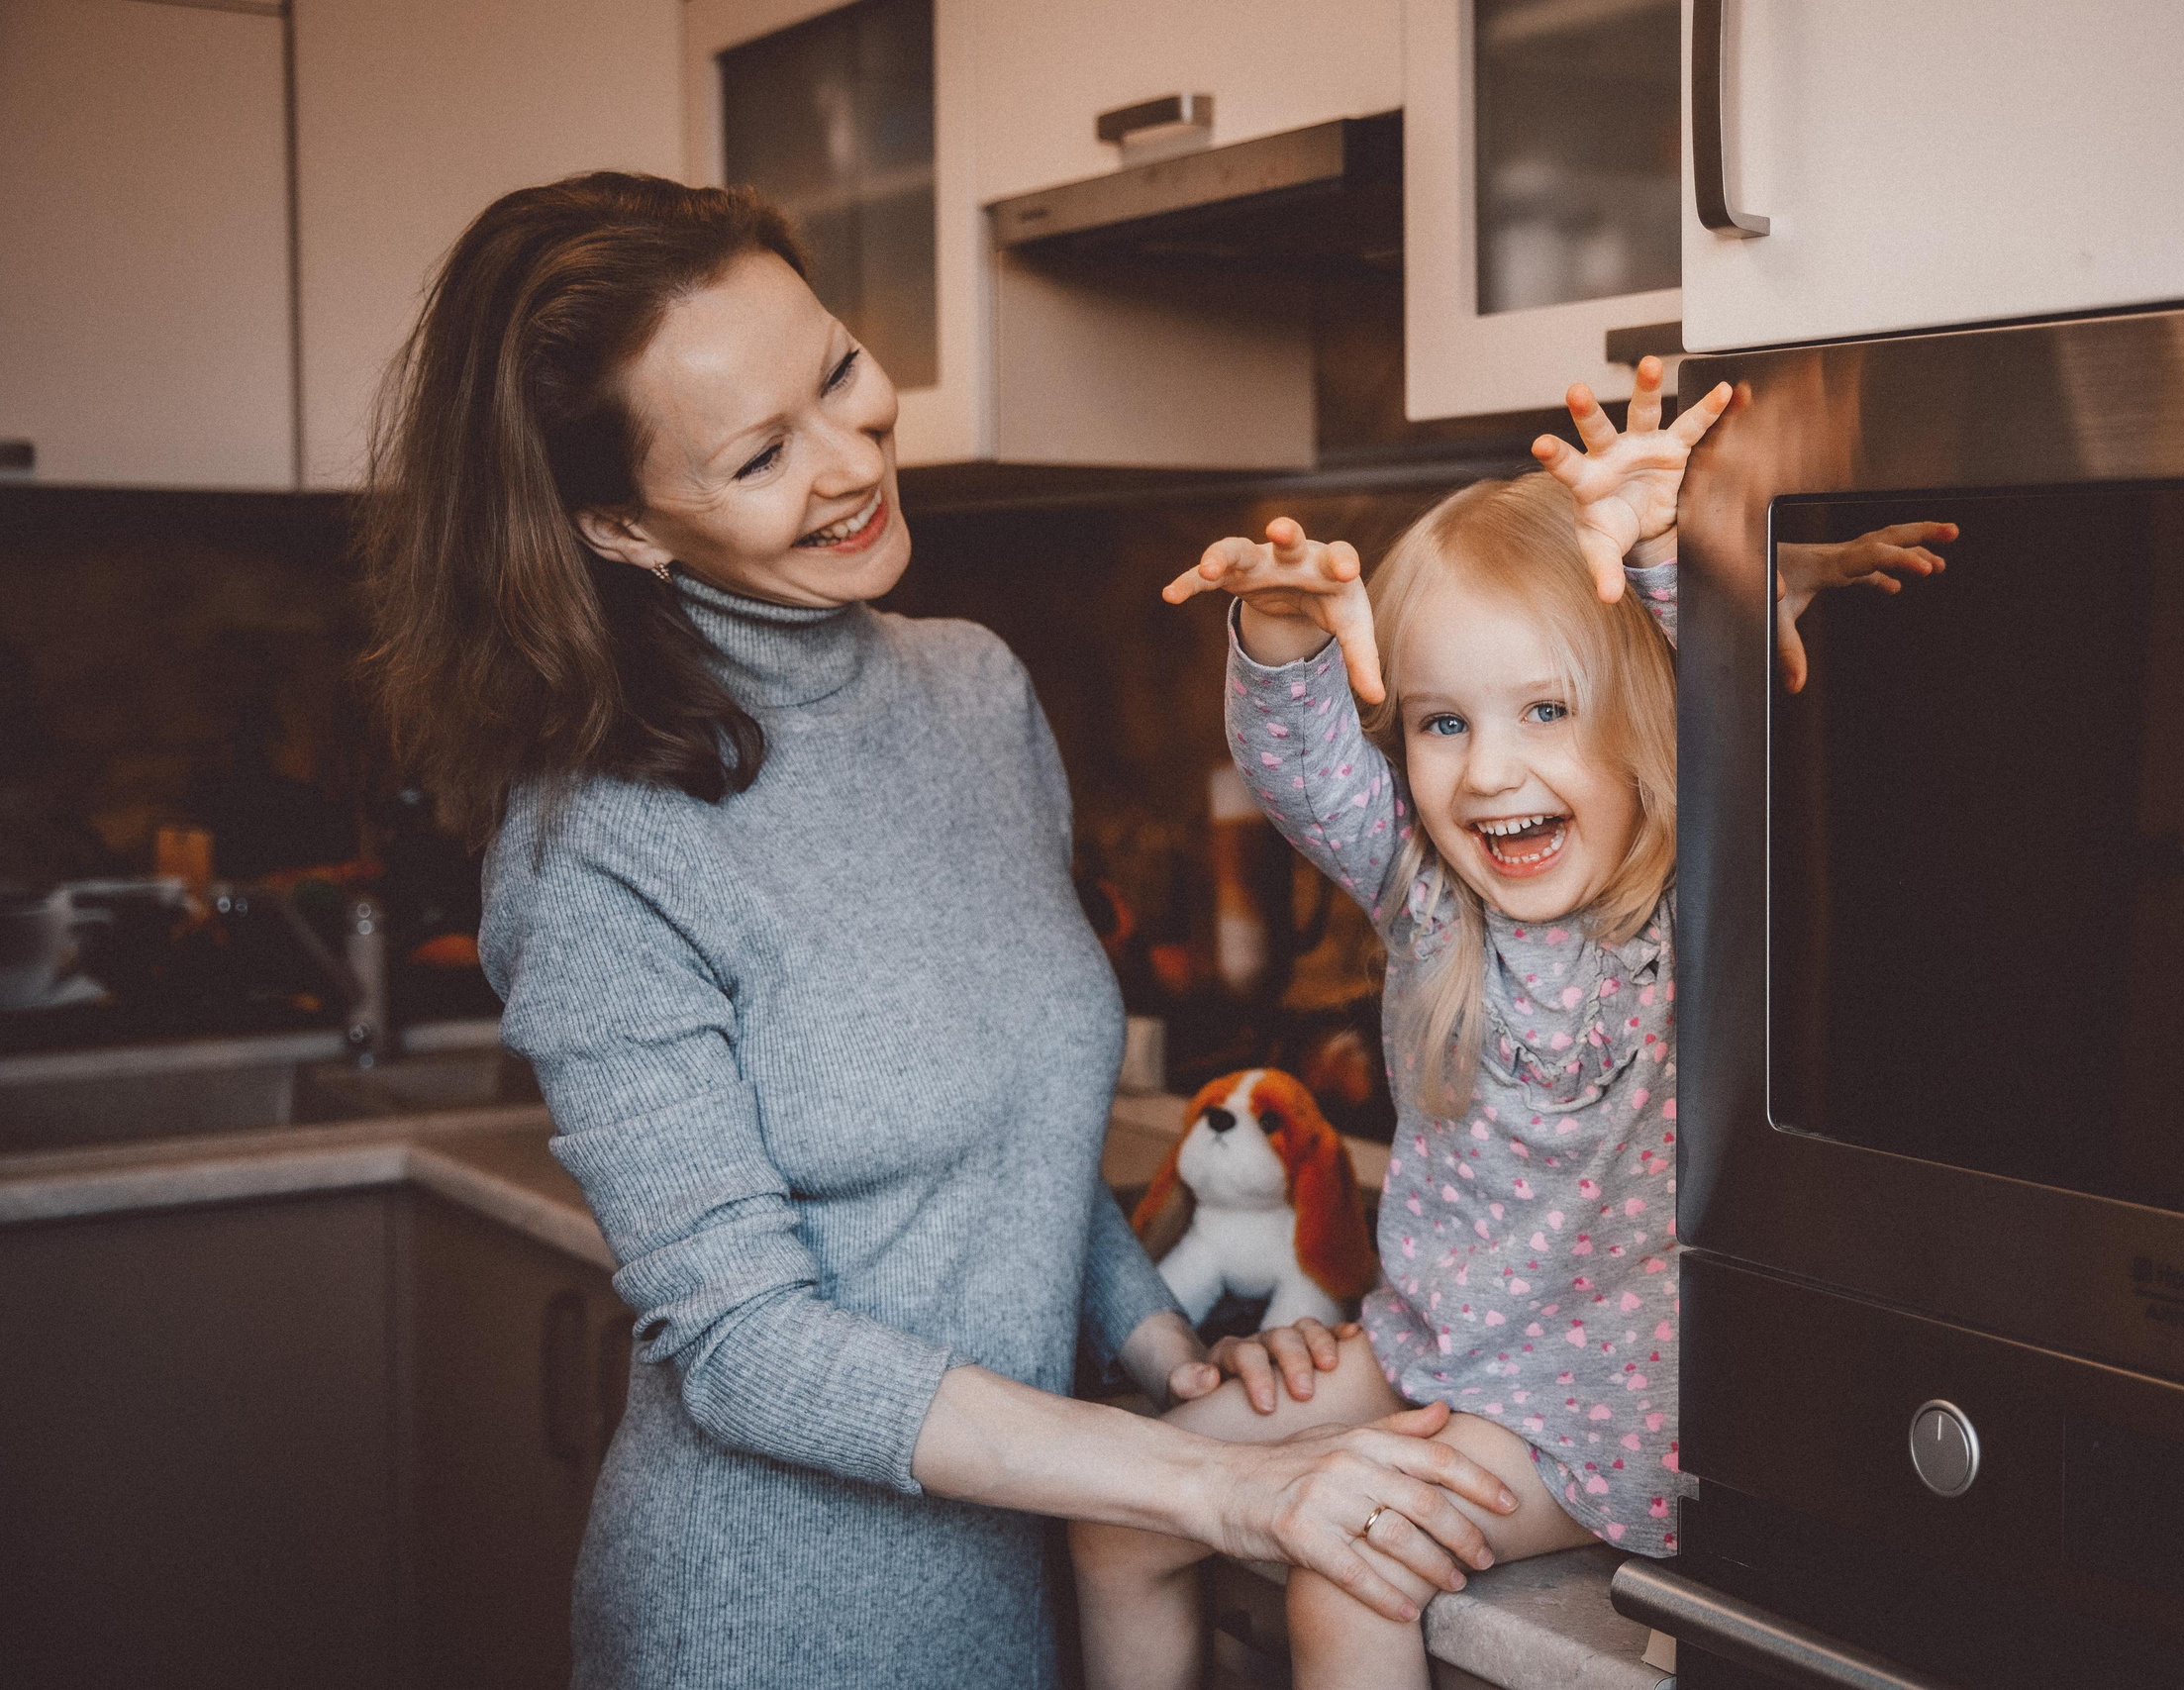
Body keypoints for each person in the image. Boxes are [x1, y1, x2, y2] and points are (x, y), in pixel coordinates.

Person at [356, 171, 1521, 1690]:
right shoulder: (594, 846)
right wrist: (1206, 1485)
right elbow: (747, 1350)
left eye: (839, 372)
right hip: (767, 1627)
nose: (851, 460)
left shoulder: (975, 688)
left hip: (1022, 1587)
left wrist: (1181, 1361)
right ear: (621, 526)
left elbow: (1018, 1155)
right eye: (762, 454)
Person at [1072, 358, 1945, 1689]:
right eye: (1441, 722)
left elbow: (1715, 721)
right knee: (1117, 1509)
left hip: (1605, 1422)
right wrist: (1284, 629)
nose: (1488, 770)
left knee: (1347, 1571)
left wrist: (1663, 561)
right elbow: (1301, 765)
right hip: (1428, 1358)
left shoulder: (1693, 906)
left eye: (1546, 710)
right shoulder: (1426, 895)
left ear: (1636, 718)